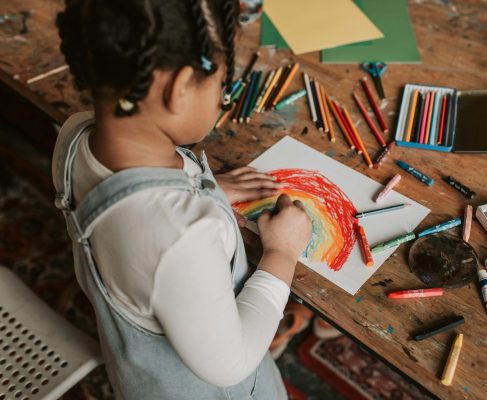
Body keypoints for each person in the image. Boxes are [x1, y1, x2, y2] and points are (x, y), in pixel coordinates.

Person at [51, 0, 313, 398]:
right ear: (179, 89)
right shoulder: (180, 237)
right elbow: (231, 363)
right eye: (222, 86)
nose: (223, 99)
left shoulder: (75, 136)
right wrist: (282, 253)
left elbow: (132, 217)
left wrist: (203, 189)